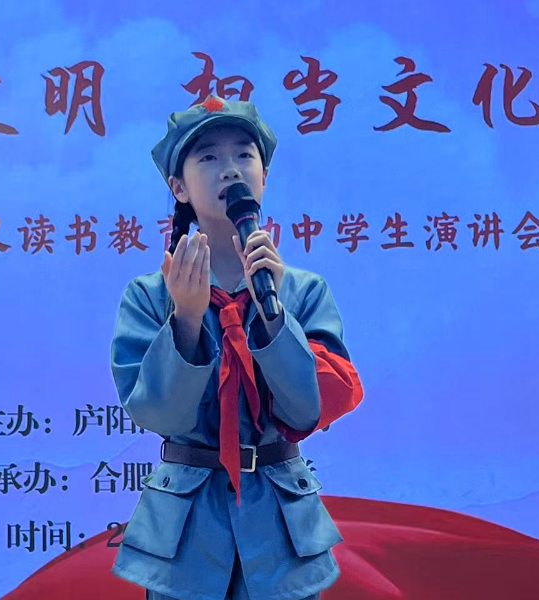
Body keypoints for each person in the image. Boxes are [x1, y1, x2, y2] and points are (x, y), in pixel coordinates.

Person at [109, 94, 365, 600]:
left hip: (280, 528)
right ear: (178, 187)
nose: (229, 169)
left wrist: (273, 317)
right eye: (208, 157)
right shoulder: (150, 296)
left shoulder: (303, 292)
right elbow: (158, 414)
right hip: (186, 535)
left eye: (244, 155)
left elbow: (307, 409)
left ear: (263, 177)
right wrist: (185, 319)